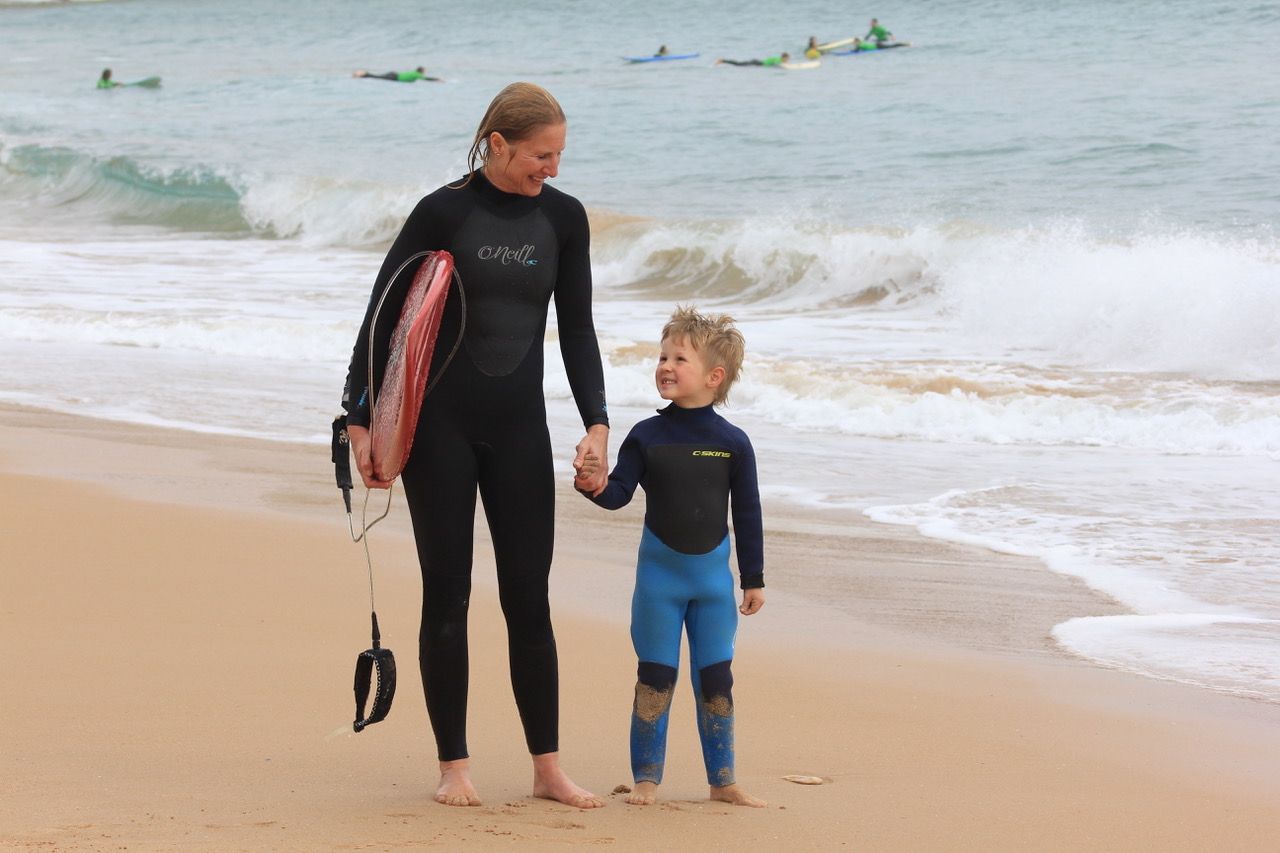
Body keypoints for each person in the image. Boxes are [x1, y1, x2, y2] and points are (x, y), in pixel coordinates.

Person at [340, 81, 610, 809]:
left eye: (558, 155)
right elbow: (383, 310)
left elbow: (578, 328)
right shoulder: (444, 211)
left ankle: (547, 766)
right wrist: (356, 417)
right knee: (448, 594)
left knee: (530, 599)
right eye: (538, 155)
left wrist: (597, 422)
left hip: (521, 429)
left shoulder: (564, 219)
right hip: (441, 432)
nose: (550, 169)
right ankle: (454, 764)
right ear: (497, 144)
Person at [574, 306, 767, 809]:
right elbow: (617, 493)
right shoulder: (646, 435)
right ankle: (646, 781)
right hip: (659, 584)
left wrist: (754, 578)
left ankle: (722, 781)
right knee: (655, 679)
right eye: (662, 356)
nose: (665, 365)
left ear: (713, 376)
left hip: (712, 587)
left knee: (717, 681)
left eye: (679, 358)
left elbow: (747, 513)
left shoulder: (732, 444)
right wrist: (592, 484)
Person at [353, 66, 441, 82]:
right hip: (394, 77)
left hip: (394, 75)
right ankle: (360, 73)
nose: (425, 72)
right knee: (376, 77)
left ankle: (361, 74)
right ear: (421, 71)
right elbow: (426, 79)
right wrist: (437, 79)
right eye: (424, 71)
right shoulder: (417, 74)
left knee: (377, 76)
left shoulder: (415, 73)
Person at [714, 51, 789, 67]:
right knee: (738, 64)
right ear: (784, 57)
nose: (788, 60)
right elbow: (777, 63)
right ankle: (722, 60)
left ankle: (722, 61)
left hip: (757, 62)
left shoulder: (778, 58)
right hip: (757, 63)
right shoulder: (778, 60)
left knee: (739, 64)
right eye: (787, 59)